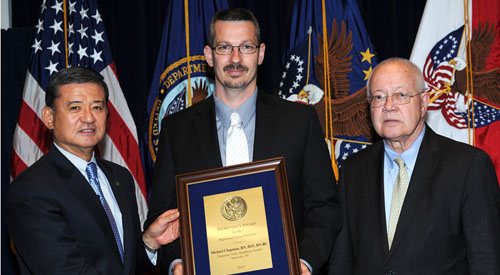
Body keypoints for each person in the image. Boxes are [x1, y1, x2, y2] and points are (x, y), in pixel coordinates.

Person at [144, 8, 342, 275]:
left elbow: (324, 207)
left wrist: (304, 263)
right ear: (208, 55)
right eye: (224, 47)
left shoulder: (300, 121)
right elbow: (163, 217)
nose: (235, 58)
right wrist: (177, 263)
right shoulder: (176, 130)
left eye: (246, 47)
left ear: (260, 54)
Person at [329, 57, 500, 274]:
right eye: (379, 97)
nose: (388, 106)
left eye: (401, 95)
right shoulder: (353, 171)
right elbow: (341, 261)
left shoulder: (468, 167)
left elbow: (486, 261)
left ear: (424, 102)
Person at [6, 66, 180, 274]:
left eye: (97, 107)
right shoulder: (31, 190)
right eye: (75, 108)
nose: (88, 118)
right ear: (49, 117)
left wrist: (150, 241)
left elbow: (125, 267)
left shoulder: (120, 177)